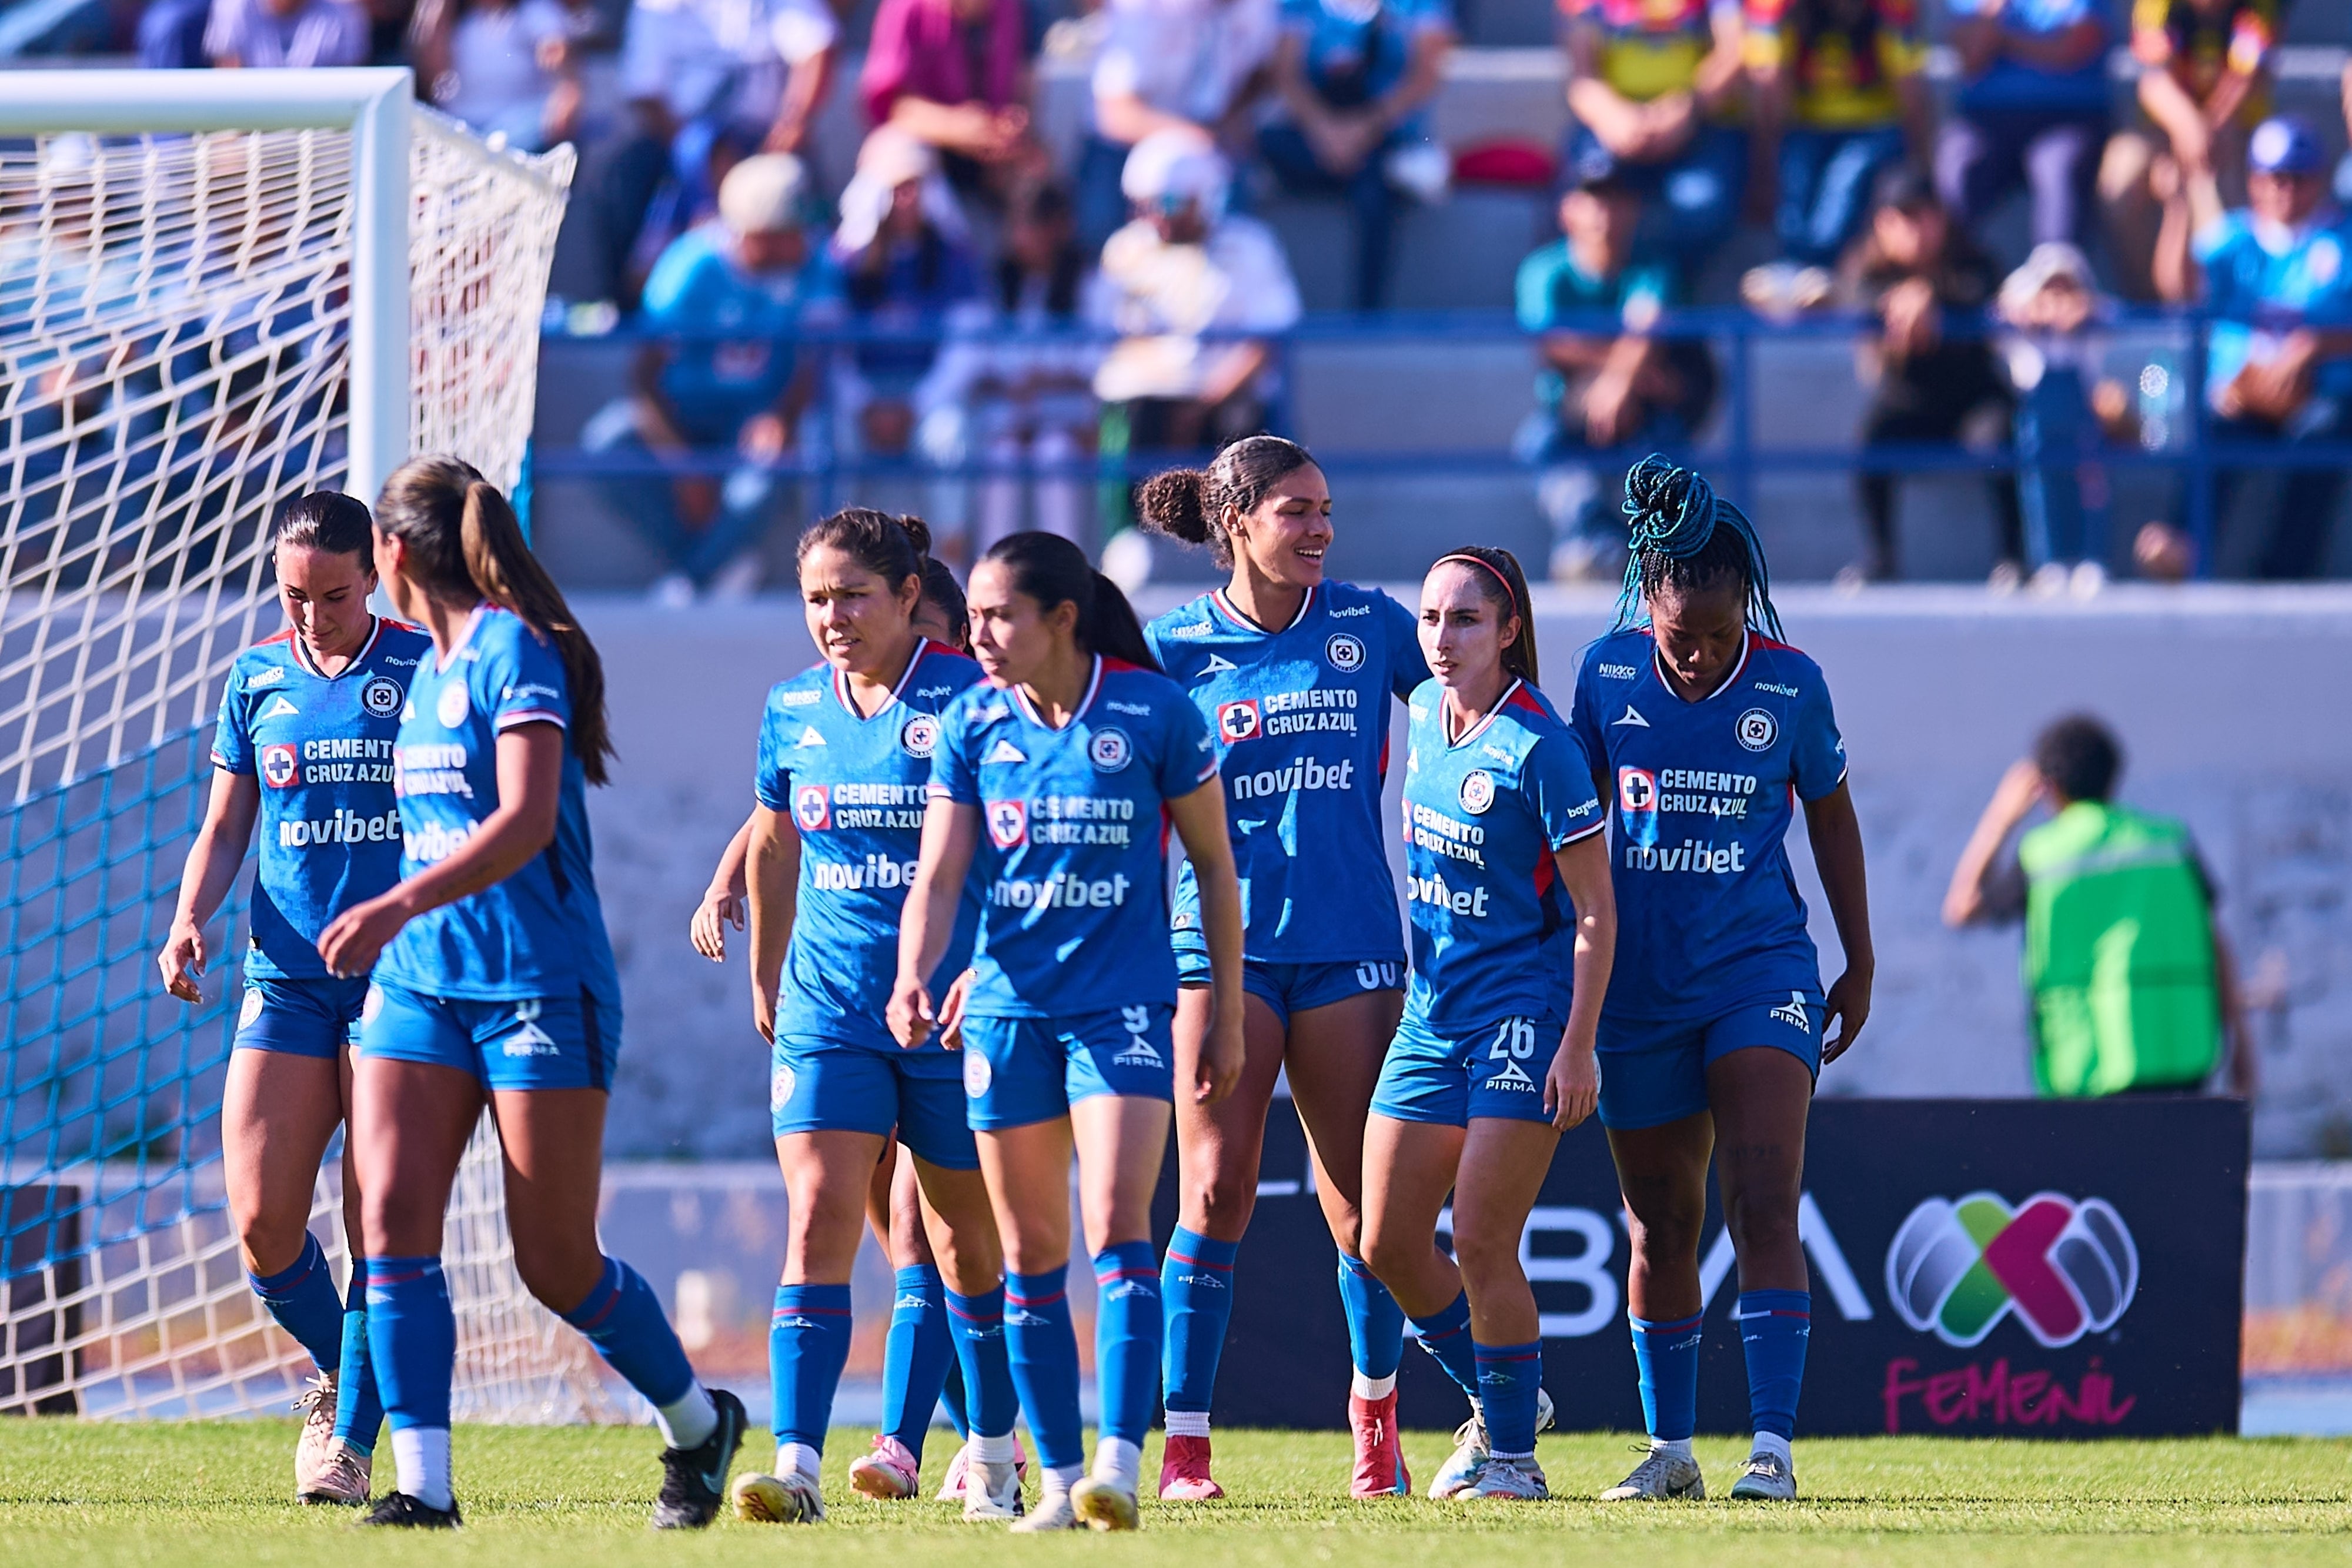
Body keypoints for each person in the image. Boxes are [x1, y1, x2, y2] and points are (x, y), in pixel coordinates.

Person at [319, 456, 745, 1528]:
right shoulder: (426, 675)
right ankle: (422, 1486)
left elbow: (523, 820)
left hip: (536, 989)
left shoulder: (518, 652)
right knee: (391, 1221)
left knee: (555, 1260)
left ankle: (698, 1425)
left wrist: (393, 904)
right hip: (422, 992)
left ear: (395, 553)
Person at [890, 531, 1247, 1530]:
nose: (980, 633)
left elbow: (1215, 867)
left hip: (1126, 1010)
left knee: (1115, 1232)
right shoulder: (970, 724)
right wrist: (917, 972)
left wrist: (1219, 1009)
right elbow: (942, 874)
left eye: (1002, 615)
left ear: (1062, 619)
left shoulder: (1154, 714)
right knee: (1029, 1250)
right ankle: (1052, 1483)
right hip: (1006, 1013)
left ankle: (1119, 1468)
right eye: (978, 617)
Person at [694, 511, 1015, 1523]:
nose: (832, 617)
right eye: (816, 599)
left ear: (910, 595)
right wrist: (766, 973)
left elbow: (1019, 854)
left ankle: (997, 1456)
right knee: (819, 1217)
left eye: (853, 595)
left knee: (966, 1244)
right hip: (828, 1008)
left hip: (952, 1015)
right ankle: (796, 1463)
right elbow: (776, 845)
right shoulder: (791, 708)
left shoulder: (975, 700)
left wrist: (995, 974)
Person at [1569, 456, 1873, 1505]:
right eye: (1678, 634)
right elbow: (1567, 830)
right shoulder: (1605, 675)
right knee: (1658, 1221)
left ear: (1748, 602)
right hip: (1637, 986)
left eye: (1716, 632)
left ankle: (1773, 1450)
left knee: (1762, 1196)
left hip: (1760, 970)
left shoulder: (1792, 682)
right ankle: (1670, 1450)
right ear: (1646, 599)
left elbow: (1831, 816)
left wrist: (1860, 957)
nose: (1697, 656)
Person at [1132, 437, 1428, 1502]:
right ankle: (1186, 1450)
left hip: (1351, 945)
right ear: (1236, 522)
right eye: (1296, 511)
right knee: (1213, 1186)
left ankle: (1376, 1422)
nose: (1319, 530)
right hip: (1219, 951)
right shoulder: (1172, 650)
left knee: (1364, 1209)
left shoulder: (1373, 626)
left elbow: (1480, 704)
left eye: (1327, 511)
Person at [158, 493, 420, 1507]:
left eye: (333, 594)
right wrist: (191, 916)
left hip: (398, 988)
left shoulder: (420, 669)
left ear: (376, 578)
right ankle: (352, 1374)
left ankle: (347, 1446)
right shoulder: (256, 675)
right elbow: (227, 826)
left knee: (375, 1218)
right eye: (293, 595)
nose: (312, 614)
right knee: (266, 1220)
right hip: (286, 980)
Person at [1359, 544, 1616, 1503]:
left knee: (1480, 1236)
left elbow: (1596, 910)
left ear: (1509, 630)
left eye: (1465, 619)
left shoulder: (1541, 749)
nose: (1440, 638)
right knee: (1383, 1238)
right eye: (1430, 618)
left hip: (1522, 1012)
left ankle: (1514, 1458)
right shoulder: (1424, 710)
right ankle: (1504, 1398)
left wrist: (1578, 1042)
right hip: (1431, 1014)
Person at [1943, 714, 2252, 1096]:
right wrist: (2243, 1047)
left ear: (2047, 786)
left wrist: (2001, 817)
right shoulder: (2169, 842)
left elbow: (1961, 907)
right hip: (2180, 1050)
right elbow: (2215, 943)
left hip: (2083, 1062)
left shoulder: (2044, 855)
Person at [581, 153, 840, 604]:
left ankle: (691, 580)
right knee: (605, 444)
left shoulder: (814, 264)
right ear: (757, 232)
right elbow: (644, 376)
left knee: (772, 468)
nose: (803, 240)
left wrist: (782, 418)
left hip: (749, 420)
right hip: (680, 416)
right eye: (791, 229)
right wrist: (681, 463)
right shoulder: (690, 269)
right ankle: (716, 564)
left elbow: (811, 360)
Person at [2150, 116, 2352, 581]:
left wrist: (2315, 346)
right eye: (2274, 176)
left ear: (2319, 180)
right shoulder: (2237, 239)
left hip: (2320, 394)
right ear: (2254, 180)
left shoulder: (2340, 242)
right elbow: (2178, 291)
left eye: (2298, 177)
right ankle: (2182, 545)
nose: (2285, 189)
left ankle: (2285, 570)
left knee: (2322, 439)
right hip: (2245, 397)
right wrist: (2178, 205)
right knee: (2218, 432)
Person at [1513, 153, 1717, 584]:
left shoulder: (1652, 266)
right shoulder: (1546, 269)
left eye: (1615, 200)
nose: (1604, 213)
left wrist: (1620, 383)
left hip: (1643, 416)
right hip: (1568, 417)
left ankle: (1664, 554)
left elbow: (1650, 324)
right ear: (1568, 209)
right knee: (1542, 446)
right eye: (1592, 199)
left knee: (1666, 455)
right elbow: (1553, 342)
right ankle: (1588, 540)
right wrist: (1629, 372)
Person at [555, 0, 838, 309]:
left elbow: (816, 52)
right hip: (680, 143)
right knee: (621, 179)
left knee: (802, 189)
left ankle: (825, 305)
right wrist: (703, 152)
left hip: (768, 145)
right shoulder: (657, 7)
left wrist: (788, 128)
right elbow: (646, 91)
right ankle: (627, 308)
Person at [1835, 167, 2021, 584]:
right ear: (1882, 225)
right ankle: (1881, 559)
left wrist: (1933, 296)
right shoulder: (1868, 269)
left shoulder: (1971, 258)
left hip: (1973, 397)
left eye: (1923, 215)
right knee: (1871, 443)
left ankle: (2015, 558)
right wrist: (1896, 301)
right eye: (1902, 217)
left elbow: (1984, 291)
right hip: (1911, 402)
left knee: (2000, 435)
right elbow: (1854, 299)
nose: (1914, 229)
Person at [1087, 133, 1302, 467]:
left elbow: (1268, 340)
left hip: (1226, 405)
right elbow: (1101, 340)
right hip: (1145, 406)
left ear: (1204, 198)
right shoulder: (1125, 250)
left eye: (1168, 203)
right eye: (1144, 205)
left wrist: (1203, 404)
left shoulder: (1251, 247)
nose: (1156, 217)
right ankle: (1132, 518)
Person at [916, 179, 1101, 552]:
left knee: (1055, 455)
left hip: (1069, 422)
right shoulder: (997, 285)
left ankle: (1066, 572)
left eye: (1031, 226)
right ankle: (992, 570)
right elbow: (977, 362)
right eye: (1017, 226)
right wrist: (1017, 391)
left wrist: (1046, 385)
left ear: (1059, 228)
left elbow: (1100, 363)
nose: (1021, 238)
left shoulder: (1092, 283)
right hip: (1005, 421)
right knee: (1001, 459)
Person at [831, 129, 983, 560]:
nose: (909, 201)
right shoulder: (844, 262)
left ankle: (949, 562)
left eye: (917, 188)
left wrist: (916, 403)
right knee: (826, 438)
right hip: (862, 395)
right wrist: (863, 403)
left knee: (950, 436)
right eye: (897, 190)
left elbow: (966, 347)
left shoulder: (954, 257)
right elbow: (830, 350)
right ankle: (832, 561)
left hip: (927, 393)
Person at [1258, 0, 1456, 311]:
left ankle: (1368, 312)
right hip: (1319, 141)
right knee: (1262, 147)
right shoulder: (1301, 6)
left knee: (1373, 188)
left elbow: (1425, 75)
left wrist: (1366, 127)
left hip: (1387, 139)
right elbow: (1285, 74)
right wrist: (1325, 130)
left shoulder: (1417, 6)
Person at [2100, 0, 2276, 299]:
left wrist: (2205, 135)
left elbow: (2249, 77)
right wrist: (2191, 128)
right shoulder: (2158, 5)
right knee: (2121, 177)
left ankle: (2221, 304)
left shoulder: (2259, 6)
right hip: (2167, 132)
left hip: (2234, 133)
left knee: (2215, 186)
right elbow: (2154, 83)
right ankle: (2147, 303)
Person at [1742, 0, 1930, 278]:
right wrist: (1762, 162)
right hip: (1807, 125)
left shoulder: (1888, 8)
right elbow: (1770, 83)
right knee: (1794, 171)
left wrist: (1924, 160)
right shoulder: (1781, 8)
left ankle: (1819, 271)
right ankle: (1792, 268)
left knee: (1847, 175)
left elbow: (1910, 89)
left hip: (1875, 126)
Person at [1078, 0, 1283, 252]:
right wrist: (1196, 137)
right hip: (1128, 145)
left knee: (1233, 234)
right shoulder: (1141, 8)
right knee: (1103, 232)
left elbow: (1262, 70)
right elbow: (1116, 115)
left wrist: (1231, 117)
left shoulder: (1258, 6)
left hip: (1209, 141)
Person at [1992, 242, 2140, 590]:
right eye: (2049, 288)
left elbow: (2121, 318)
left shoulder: (2093, 318)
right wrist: (2025, 312)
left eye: (2066, 286)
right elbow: (1994, 321)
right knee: (2041, 490)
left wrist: (2088, 312)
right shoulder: (2021, 320)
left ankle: (2092, 559)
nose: (2058, 297)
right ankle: (2050, 562)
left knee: (2092, 490)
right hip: (2038, 420)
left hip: (2084, 419)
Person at [1558, 0, 1749, 262]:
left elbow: (1733, 53)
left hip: (1697, 122)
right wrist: (1612, 117)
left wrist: (1688, 110)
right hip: (1613, 121)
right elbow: (1582, 78)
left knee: (1702, 208)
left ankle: (1662, 285)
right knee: (1588, 208)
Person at [1935, 0, 2109, 251]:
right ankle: (1956, 272)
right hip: (1986, 120)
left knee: (2058, 168)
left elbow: (2074, 46)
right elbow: (1969, 57)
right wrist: (1992, 12)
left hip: (2068, 117)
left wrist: (2002, 40)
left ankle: (2056, 279)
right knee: (1958, 162)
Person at [858, 0, 1034, 196]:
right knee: (900, 160)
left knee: (1037, 166)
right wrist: (957, 128)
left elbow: (1020, 83)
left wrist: (1008, 129)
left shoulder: (1009, 9)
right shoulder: (906, 6)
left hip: (989, 153)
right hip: (928, 143)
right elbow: (891, 105)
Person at [410, 0, 584, 153]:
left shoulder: (534, 11)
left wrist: (566, 94)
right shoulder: (455, 20)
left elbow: (560, 62)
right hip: (460, 128)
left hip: (520, 129)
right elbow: (433, 76)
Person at [203, 0, 369, 68]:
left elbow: (348, 101)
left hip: (323, 132)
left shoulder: (344, 10)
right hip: (250, 130)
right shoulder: (233, 6)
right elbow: (230, 93)